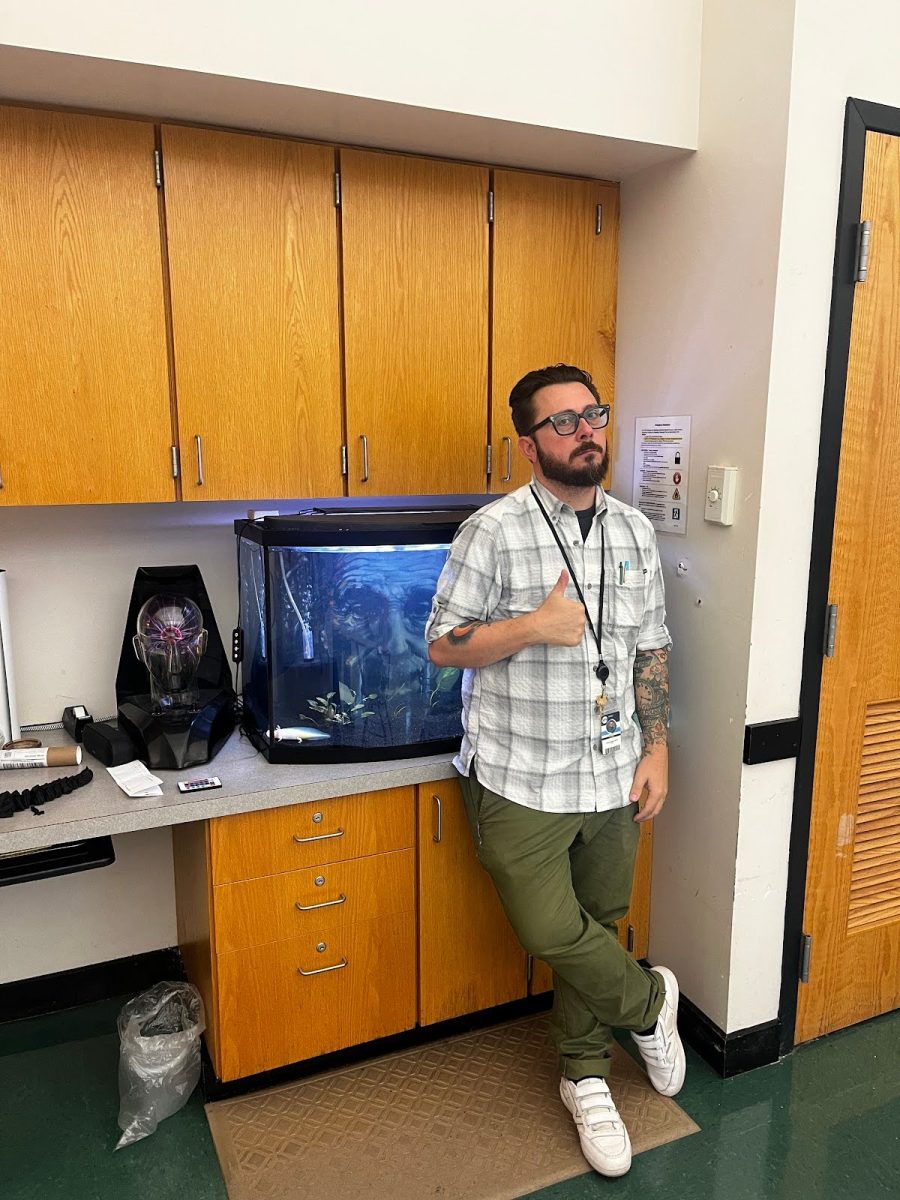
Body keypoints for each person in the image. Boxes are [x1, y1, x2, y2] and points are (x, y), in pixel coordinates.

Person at [425, 363, 684, 1179]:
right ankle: (649, 1003)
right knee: (548, 931)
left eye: (593, 415)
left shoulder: (635, 530)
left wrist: (657, 744)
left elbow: (649, 646)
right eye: (563, 423)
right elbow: (440, 644)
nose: (586, 433)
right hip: (519, 774)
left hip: (613, 770)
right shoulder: (492, 531)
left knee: (596, 928)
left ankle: (586, 1078)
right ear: (528, 444)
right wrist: (532, 626)